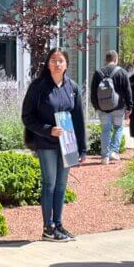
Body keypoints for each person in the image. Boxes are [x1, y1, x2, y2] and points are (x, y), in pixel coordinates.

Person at [22, 48, 88, 242]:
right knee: (49, 183)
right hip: (46, 143)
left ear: (66, 64)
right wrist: (47, 129)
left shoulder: (72, 87)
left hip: (67, 144)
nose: (57, 64)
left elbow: (78, 119)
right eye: (53, 60)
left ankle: (58, 225)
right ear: (48, 64)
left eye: (60, 61)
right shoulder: (38, 86)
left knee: (61, 185)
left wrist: (82, 149)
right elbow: (27, 117)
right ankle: (47, 227)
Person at [89, 50, 131, 164]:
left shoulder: (98, 72)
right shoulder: (122, 72)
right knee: (118, 128)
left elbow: (93, 91)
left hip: (102, 108)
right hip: (119, 107)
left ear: (106, 60)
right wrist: (129, 107)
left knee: (105, 130)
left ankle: (105, 157)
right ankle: (114, 151)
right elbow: (128, 91)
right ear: (116, 59)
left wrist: (96, 106)